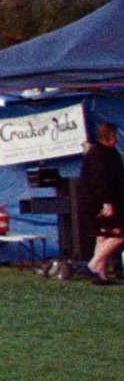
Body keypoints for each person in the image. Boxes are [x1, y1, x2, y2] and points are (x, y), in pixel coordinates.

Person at [82, 120, 123, 285]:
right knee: (118, 234)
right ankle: (92, 265)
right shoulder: (98, 154)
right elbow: (99, 180)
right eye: (114, 136)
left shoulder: (109, 153)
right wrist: (106, 202)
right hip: (100, 203)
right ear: (108, 136)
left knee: (102, 236)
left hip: (100, 202)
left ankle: (100, 275)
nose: (117, 139)